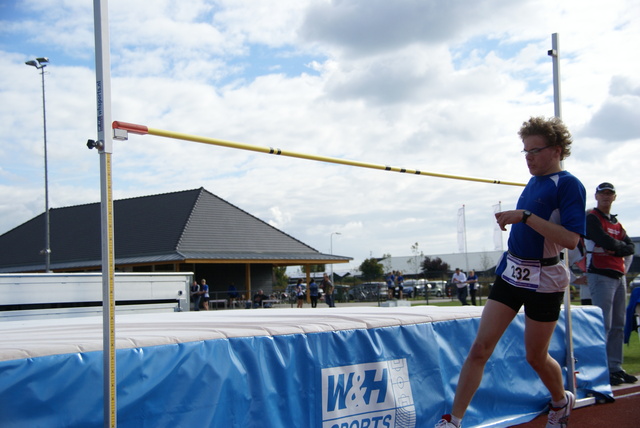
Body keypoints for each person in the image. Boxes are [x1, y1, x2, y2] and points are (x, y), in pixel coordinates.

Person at [435, 116, 586, 428]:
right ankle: (453, 421)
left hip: (546, 280)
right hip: (512, 272)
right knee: (480, 348)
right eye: (525, 151)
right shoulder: (534, 181)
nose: (528, 157)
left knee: (535, 357)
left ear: (556, 150)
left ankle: (560, 401)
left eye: (535, 150)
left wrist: (525, 217)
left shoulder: (569, 185)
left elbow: (571, 239)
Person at [585, 182, 637, 386]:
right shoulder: (592, 218)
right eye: (603, 194)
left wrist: (618, 250)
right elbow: (602, 240)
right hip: (601, 274)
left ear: (614, 198)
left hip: (618, 275)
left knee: (618, 324)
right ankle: (602, 368)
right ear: (596, 196)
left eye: (609, 194)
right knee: (603, 324)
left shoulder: (616, 223)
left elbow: (630, 246)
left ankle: (615, 366)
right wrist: (619, 247)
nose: (606, 197)